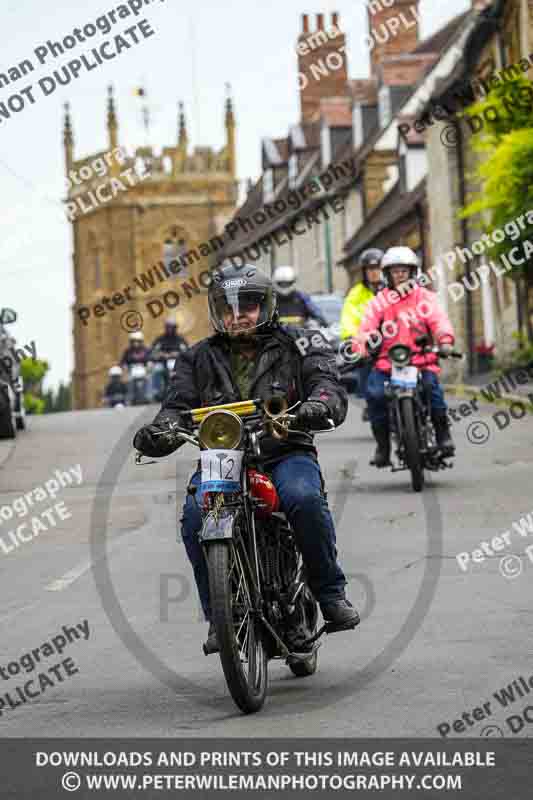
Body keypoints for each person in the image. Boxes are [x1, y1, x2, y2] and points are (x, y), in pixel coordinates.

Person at [133, 262, 359, 654]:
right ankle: (220, 616)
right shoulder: (195, 358)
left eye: (248, 306)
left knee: (304, 498)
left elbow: (326, 382)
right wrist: (160, 431)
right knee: (194, 517)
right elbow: (176, 407)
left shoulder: (301, 342)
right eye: (228, 308)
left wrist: (319, 404)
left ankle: (329, 594)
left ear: (267, 305)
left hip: (285, 449)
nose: (238, 316)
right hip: (222, 456)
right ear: (216, 312)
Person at [355, 246, 456, 467]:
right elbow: (366, 328)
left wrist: (445, 340)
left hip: (421, 360)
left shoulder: (425, 297)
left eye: (404, 271)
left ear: (412, 272)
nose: (400, 275)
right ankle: (383, 447)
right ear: (387, 274)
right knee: (375, 395)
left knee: (433, 392)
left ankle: (443, 437)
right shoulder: (378, 302)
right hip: (387, 363)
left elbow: (439, 320)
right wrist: (363, 347)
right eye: (395, 271)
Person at [339, 248, 385, 418]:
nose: (374, 272)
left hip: (392, 338)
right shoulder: (356, 293)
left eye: (377, 268)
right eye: (370, 269)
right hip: (367, 341)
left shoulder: (391, 289)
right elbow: (348, 317)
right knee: (365, 363)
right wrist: (352, 337)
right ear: (364, 272)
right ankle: (369, 400)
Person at [149, 318, 188, 401]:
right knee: (156, 370)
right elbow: (153, 352)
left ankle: (182, 392)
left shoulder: (180, 339)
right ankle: (157, 393)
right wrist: (162, 355)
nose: (170, 329)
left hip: (177, 362)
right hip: (162, 362)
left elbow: (186, 351)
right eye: (168, 327)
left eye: (172, 327)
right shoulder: (160, 339)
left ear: (175, 328)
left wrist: (177, 354)